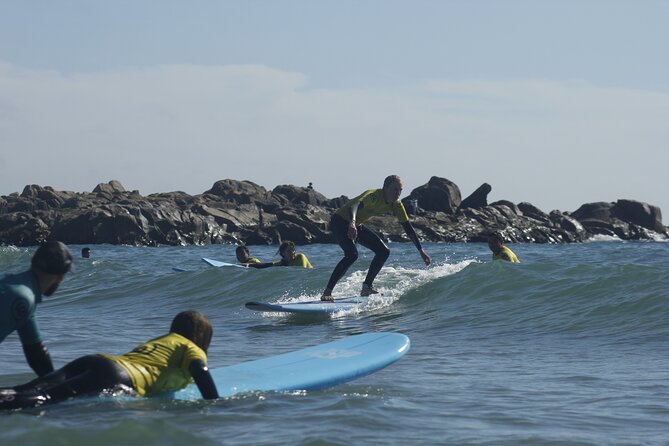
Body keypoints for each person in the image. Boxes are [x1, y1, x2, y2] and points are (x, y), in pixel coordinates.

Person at [0, 311, 219, 410]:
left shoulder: (164, 340)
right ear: (201, 338)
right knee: (46, 399)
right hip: (119, 376)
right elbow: (200, 369)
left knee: (29, 387)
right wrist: (215, 403)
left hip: (96, 361)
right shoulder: (191, 347)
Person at [322, 175, 431, 301]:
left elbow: (407, 227)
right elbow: (354, 206)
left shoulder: (396, 204)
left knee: (383, 251)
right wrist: (352, 222)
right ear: (385, 188)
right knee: (351, 255)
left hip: (356, 224)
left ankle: (366, 287)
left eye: (400, 190)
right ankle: (327, 292)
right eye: (395, 189)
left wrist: (420, 250)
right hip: (340, 221)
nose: (398, 193)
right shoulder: (373, 195)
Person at [0, 241, 73, 378]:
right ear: (60, 277)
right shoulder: (22, 299)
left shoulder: (19, 289)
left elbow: (35, 352)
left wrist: (54, 385)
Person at [247, 241, 313, 269]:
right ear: (283, 253)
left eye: (293, 250)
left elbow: (303, 271)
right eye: (289, 251)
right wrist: (248, 265)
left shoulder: (300, 257)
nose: (293, 252)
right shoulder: (282, 263)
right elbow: (267, 265)